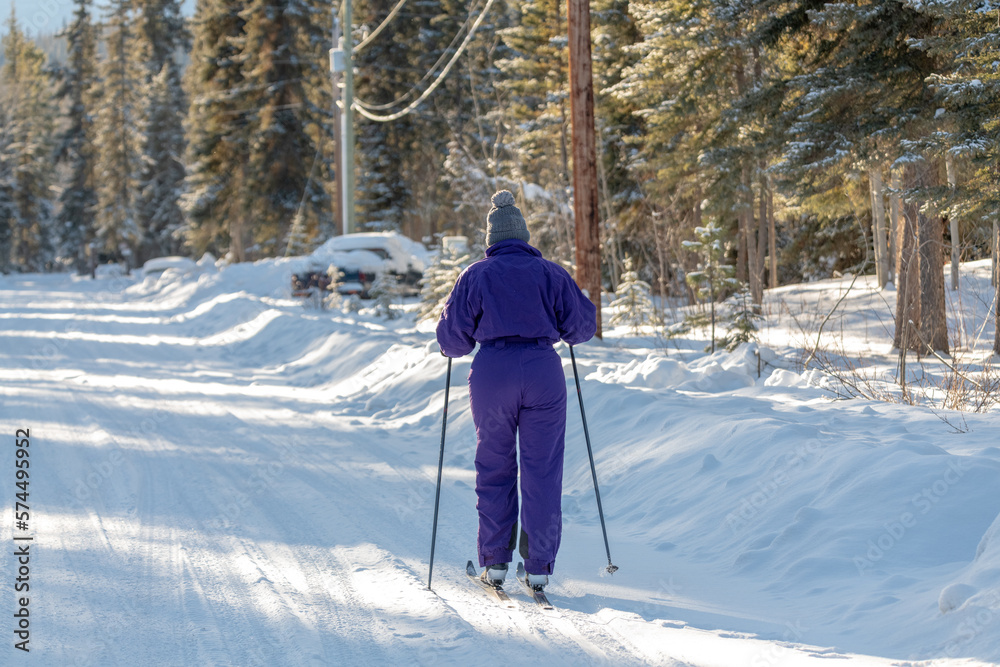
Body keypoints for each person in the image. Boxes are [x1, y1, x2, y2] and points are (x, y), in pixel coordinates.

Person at [436, 189, 597, 590]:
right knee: (543, 470)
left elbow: (453, 342)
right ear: (524, 237)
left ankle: (494, 563)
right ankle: (539, 566)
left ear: (491, 240)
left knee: (495, 466)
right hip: (543, 372)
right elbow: (581, 329)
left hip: (493, 374)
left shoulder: (475, 275)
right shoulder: (552, 273)